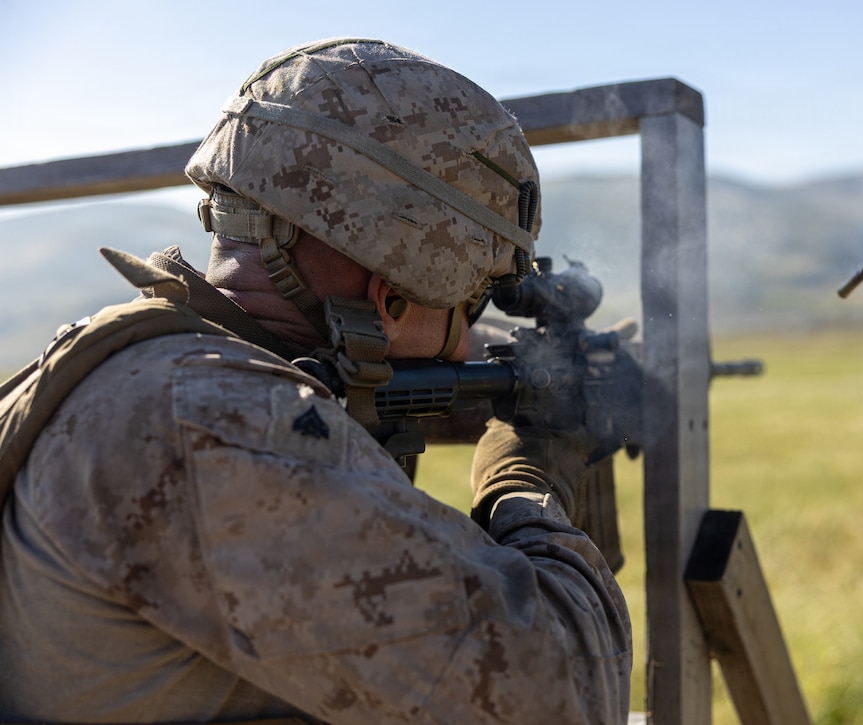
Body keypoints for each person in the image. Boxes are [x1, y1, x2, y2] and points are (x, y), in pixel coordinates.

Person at [0, 38, 632, 724]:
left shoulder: (154, 369)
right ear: (391, 300)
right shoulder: (224, 427)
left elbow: (388, 373)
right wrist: (526, 484)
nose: (464, 338)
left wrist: (527, 372)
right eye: (468, 303)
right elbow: (557, 693)